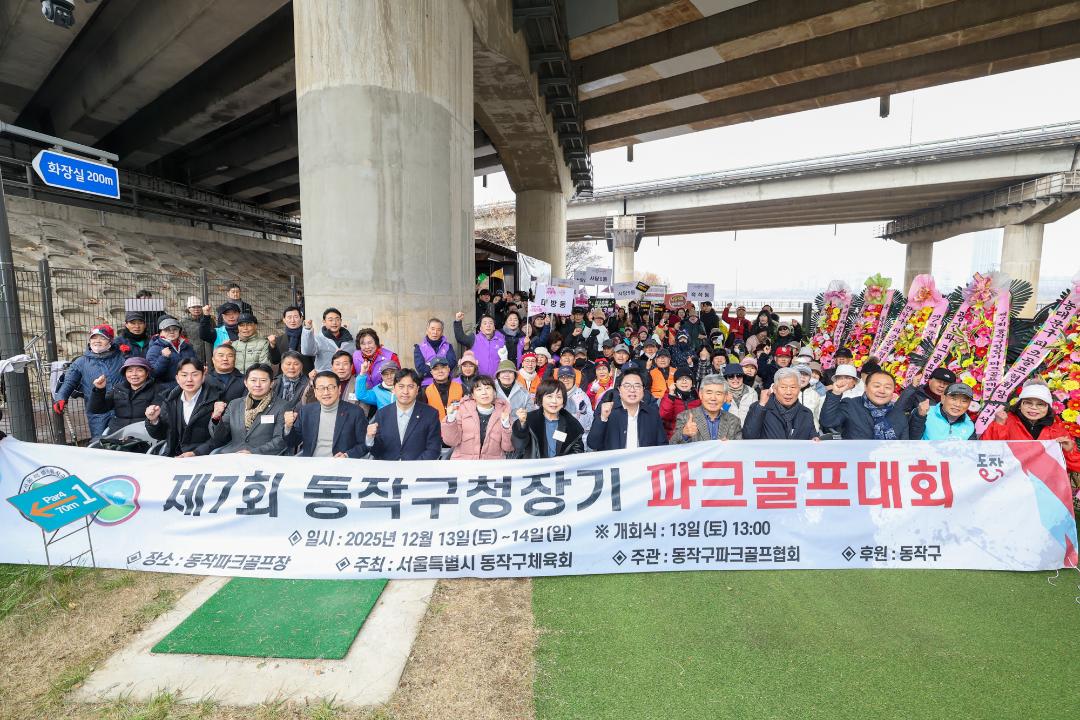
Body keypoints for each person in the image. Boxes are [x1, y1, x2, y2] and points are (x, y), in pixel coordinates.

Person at [980, 382, 1080, 470]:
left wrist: (1069, 451)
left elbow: (1074, 466)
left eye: (1040, 404)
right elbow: (987, 452)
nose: (1033, 408)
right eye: (1028, 403)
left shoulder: (1057, 430)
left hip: (1043, 485)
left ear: (1048, 407)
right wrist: (998, 426)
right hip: (1009, 481)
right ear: (1020, 405)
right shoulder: (1005, 421)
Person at [53, 324, 125, 439]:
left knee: (124, 441)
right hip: (97, 411)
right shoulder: (81, 362)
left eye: (102, 338)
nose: (97, 341)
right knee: (100, 441)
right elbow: (69, 381)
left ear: (110, 341)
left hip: (122, 408)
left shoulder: (122, 358)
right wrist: (61, 397)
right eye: (94, 337)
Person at [144, 358, 224, 457]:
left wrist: (196, 453)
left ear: (203, 377)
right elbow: (161, 435)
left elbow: (221, 437)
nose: (189, 379)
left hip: (204, 458)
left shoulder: (216, 400)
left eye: (195, 375)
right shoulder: (170, 400)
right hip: (173, 457)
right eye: (184, 375)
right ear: (177, 378)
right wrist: (154, 421)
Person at [820, 369, 928, 439]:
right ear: (866, 387)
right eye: (876, 386)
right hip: (856, 467)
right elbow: (828, 422)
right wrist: (835, 394)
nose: (882, 391)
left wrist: (920, 416)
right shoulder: (851, 405)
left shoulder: (898, 414)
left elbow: (906, 444)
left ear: (893, 391)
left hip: (887, 468)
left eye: (887, 387)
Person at [283, 371, 369, 458]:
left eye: (331, 387)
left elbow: (365, 444)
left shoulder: (355, 412)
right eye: (321, 388)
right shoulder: (306, 411)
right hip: (311, 464)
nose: (326, 392)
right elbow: (292, 442)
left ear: (339, 389)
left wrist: (347, 455)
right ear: (315, 392)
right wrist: (288, 427)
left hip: (341, 466)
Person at [207, 364, 287, 455]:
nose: (257, 384)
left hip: (264, 457)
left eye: (263, 380)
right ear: (245, 382)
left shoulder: (282, 406)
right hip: (234, 454)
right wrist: (216, 417)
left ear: (272, 383)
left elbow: (280, 440)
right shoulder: (235, 404)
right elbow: (219, 436)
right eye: (253, 380)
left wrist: (253, 452)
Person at [366, 369, 442, 460]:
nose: (405, 392)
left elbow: (433, 449)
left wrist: (411, 470)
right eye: (401, 386)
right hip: (388, 471)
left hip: (419, 471)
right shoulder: (382, 414)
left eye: (410, 386)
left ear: (417, 390)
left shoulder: (430, 414)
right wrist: (369, 438)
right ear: (394, 389)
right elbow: (377, 452)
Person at [588, 369, 667, 450]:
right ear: (619, 389)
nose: (632, 390)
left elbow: (662, 445)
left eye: (637, 386)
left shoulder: (652, 414)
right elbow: (593, 444)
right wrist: (603, 418)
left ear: (643, 389)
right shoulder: (607, 411)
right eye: (627, 386)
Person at [440, 375, 514, 460]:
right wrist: (451, 420)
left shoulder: (504, 412)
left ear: (494, 392)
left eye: (487, 388)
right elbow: (451, 442)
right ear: (473, 395)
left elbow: (508, 447)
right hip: (464, 464)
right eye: (479, 389)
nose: (484, 392)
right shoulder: (462, 410)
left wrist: (506, 426)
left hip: (493, 466)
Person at [88, 357, 165, 434]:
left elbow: (159, 415)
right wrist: (99, 390)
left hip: (145, 431)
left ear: (147, 373)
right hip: (118, 432)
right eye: (130, 371)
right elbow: (97, 409)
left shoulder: (158, 389)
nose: (134, 374)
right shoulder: (118, 388)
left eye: (139, 370)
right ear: (125, 374)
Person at [511, 380, 586, 458]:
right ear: (540, 398)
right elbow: (518, 445)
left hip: (560, 469)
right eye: (549, 396)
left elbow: (577, 453)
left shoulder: (572, 424)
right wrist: (522, 426)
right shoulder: (529, 420)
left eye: (559, 397)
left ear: (563, 401)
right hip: (535, 469)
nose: (554, 401)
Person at [741, 367, 819, 440]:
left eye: (793, 387)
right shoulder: (760, 407)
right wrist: (761, 406)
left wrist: (815, 439)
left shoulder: (806, 413)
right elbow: (748, 436)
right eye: (783, 387)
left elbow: (812, 437)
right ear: (774, 389)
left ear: (799, 388)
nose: (788, 392)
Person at [671, 375, 742, 443]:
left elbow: (739, 450)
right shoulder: (685, 417)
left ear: (725, 397)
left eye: (718, 394)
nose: (713, 398)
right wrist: (684, 434)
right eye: (709, 393)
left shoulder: (734, 421)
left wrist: (731, 446)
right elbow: (672, 446)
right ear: (701, 394)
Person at [145, 316, 197, 389]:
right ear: (160, 332)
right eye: (167, 330)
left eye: (175, 329)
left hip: (188, 386)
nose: (172, 332)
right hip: (166, 389)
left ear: (179, 331)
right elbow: (153, 373)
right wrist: (164, 358)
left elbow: (195, 364)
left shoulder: (188, 346)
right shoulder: (155, 349)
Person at [454, 312, 507, 377]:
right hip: (477, 379)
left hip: (496, 379)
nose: (488, 325)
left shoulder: (501, 341)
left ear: (494, 327)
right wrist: (458, 321)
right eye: (485, 323)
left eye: (490, 323)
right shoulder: (474, 338)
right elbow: (460, 337)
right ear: (480, 328)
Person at [269, 306, 313, 374]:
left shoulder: (309, 337)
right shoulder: (279, 340)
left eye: (296, 317)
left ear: (301, 318)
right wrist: (272, 345)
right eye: (289, 317)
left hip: (306, 376)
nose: (292, 320)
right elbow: (275, 361)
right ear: (284, 320)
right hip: (285, 378)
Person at [659, 367, 700, 438]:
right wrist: (671, 396)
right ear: (675, 382)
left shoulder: (698, 396)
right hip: (674, 437)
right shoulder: (669, 395)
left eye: (687, 379)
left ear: (692, 383)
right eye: (680, 379)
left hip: (695, 437)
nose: (684, 382)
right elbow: (663, 415)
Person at [414, 318, 457, 385]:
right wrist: (441, 369)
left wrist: (430, 365)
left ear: (442, 332)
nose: (435, 332)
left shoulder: (448, 346)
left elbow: (451, 363)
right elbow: (420, 368)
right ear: (427, 330)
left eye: (438, 330)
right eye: (432, 329)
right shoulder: (419, 348)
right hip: (426, 384)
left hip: (446, 383)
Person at [421, 357, 463, 421]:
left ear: (448, 369)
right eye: (436, 369)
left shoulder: (461, 388)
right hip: (435, 429)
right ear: (431, 372)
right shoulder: (425, 391)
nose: (440, 371)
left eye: (443, 367)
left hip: (457, 428)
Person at [558, 366, 594, 435]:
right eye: (562, 377)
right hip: (559, 434)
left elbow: (589, 425)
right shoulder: (554, 394)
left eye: (569, 377)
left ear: (574, 379)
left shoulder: (582, 396)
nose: (565, 380)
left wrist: (584, 413)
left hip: (577, 436)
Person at [180, 296, 213, 365]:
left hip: (210, 352)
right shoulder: (183, 322)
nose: (196, 309)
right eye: (193, 307)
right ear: (188, 309)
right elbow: (182, 338)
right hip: (193, 353)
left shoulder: (209, 319)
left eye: (199, 307)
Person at [794, 363, 825, 431]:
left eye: (806, 374)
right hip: (790, 435)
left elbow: (819, 415)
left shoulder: (816, 394)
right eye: (799, 374)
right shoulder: (785, 392)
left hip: (812, 434)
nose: (802, 377)